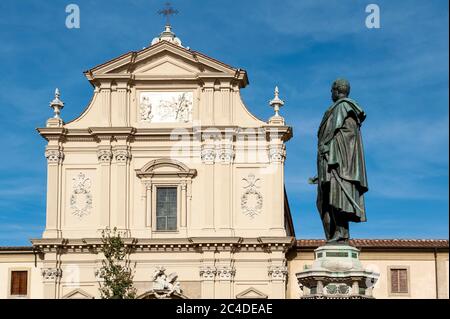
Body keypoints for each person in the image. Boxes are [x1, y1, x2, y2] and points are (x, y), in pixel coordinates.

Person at [310, 78, 368, 243]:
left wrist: (330, 151)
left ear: (336, 91)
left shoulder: (344, 108)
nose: (331, 94)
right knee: (325, 201)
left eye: (331, 91)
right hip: (330, 164)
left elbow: (346, 136)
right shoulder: (337, 109)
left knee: (337, 198)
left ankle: (341, 233)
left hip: (340, 166)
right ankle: (336, 233)